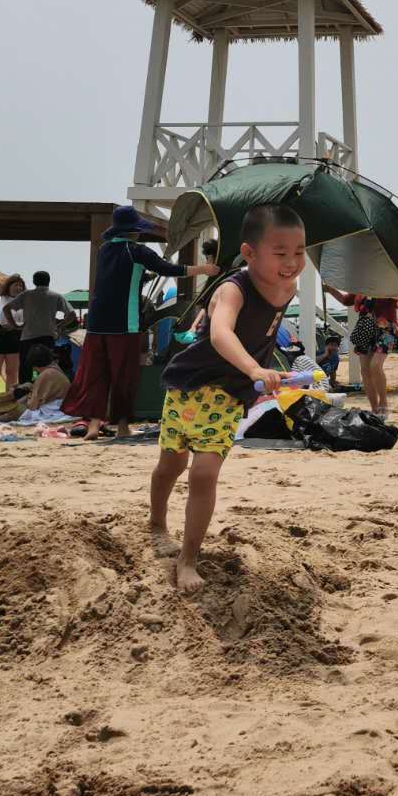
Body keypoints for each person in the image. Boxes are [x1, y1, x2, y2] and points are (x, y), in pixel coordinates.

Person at [149, 204, 304, 593]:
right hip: (189, 383)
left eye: (300, 252)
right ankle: (156, 525)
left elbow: (264, 334)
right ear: (249, 253)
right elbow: (221, 335)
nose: (292, 262)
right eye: (280, 252)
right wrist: (254, 370)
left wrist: (268, 370)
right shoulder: (232, 288)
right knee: (170, 465)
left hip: (228, 395)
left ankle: (188, 559)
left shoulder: (289, 287)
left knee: (203, 473)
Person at [61, 206, 220, 441]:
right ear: (134, 231)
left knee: (97, 374)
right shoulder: (137, 251)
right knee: (123, 376)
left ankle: (94, 425)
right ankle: (123, 426)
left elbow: (118, 276)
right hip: (124, 323)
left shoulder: (104, 249)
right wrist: (205, 269)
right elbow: (170, 269)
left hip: (96, 323)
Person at [322, 283, 398, 420]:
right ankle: (374, 409)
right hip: (365, 330)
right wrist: (329, 289)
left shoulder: (386, 284)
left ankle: (383, 403)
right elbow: (345, 300)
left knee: (375, 366)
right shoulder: (361, 285)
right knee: (365, 371)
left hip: (385, 329)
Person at [4, 271, 79, 384]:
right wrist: (58, 326)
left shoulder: (26, 295)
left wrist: (15, 325)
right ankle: (45, 395)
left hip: (27, 337)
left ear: (34, 282)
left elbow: (6, 309)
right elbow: (72, 315)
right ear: (48, 282)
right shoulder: (56, 296)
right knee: (46, 370)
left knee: (25, 371)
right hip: (47, 337)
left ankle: (23, 396)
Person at [0, 273, 26, 403]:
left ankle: (9, 402)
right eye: (16, 285)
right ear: (8, 286)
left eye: (21, 285)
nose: (19, 288)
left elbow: (26, 323)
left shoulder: (24, 303)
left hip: (15, 338)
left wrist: (16, 327)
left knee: (12, 373)